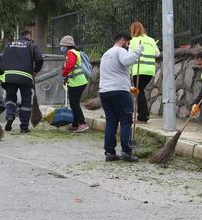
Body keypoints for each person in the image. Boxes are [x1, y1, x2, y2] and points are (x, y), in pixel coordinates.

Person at [98, 32, 144, 161]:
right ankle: (126, 151)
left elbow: (112, 74)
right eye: (128, 43)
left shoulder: (105, 55)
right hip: (119, 93)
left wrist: (129, 88)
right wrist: (138, 51)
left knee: (111, 121)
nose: (128, 46)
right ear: (123, 41)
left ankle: (109, 152)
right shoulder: (119, 50)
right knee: (125, 121)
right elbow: (128, 61)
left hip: (105, 92)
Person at [1, 29, 43, 133]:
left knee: (10, 98)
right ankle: (24, 126)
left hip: (9, 76)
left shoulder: (9, 45)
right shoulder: (31, 45)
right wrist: (35, 71)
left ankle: (10, 115)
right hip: (25, 77)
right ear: (29, 36)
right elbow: (39, 59)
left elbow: (2, 59)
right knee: (26, 101)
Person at [128, 21, 158, 124]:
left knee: (138, 91)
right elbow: (157, 53)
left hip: (139, 69)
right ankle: (143, 115)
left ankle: (143, 116)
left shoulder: (133, 41)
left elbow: (129, 56)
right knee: (140, 91)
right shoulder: (151, 40)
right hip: (150, 70)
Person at [59, 35, 89, 133]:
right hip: (76, 82)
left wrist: (64, 73)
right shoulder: (74, 52)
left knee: (74, 104)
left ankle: (82, 123)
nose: (61, 48)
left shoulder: (71, 53)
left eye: (62, 46)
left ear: (67, 46)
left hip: (77, 82)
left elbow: (70, 65)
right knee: (73, 103)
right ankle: (75, 123)